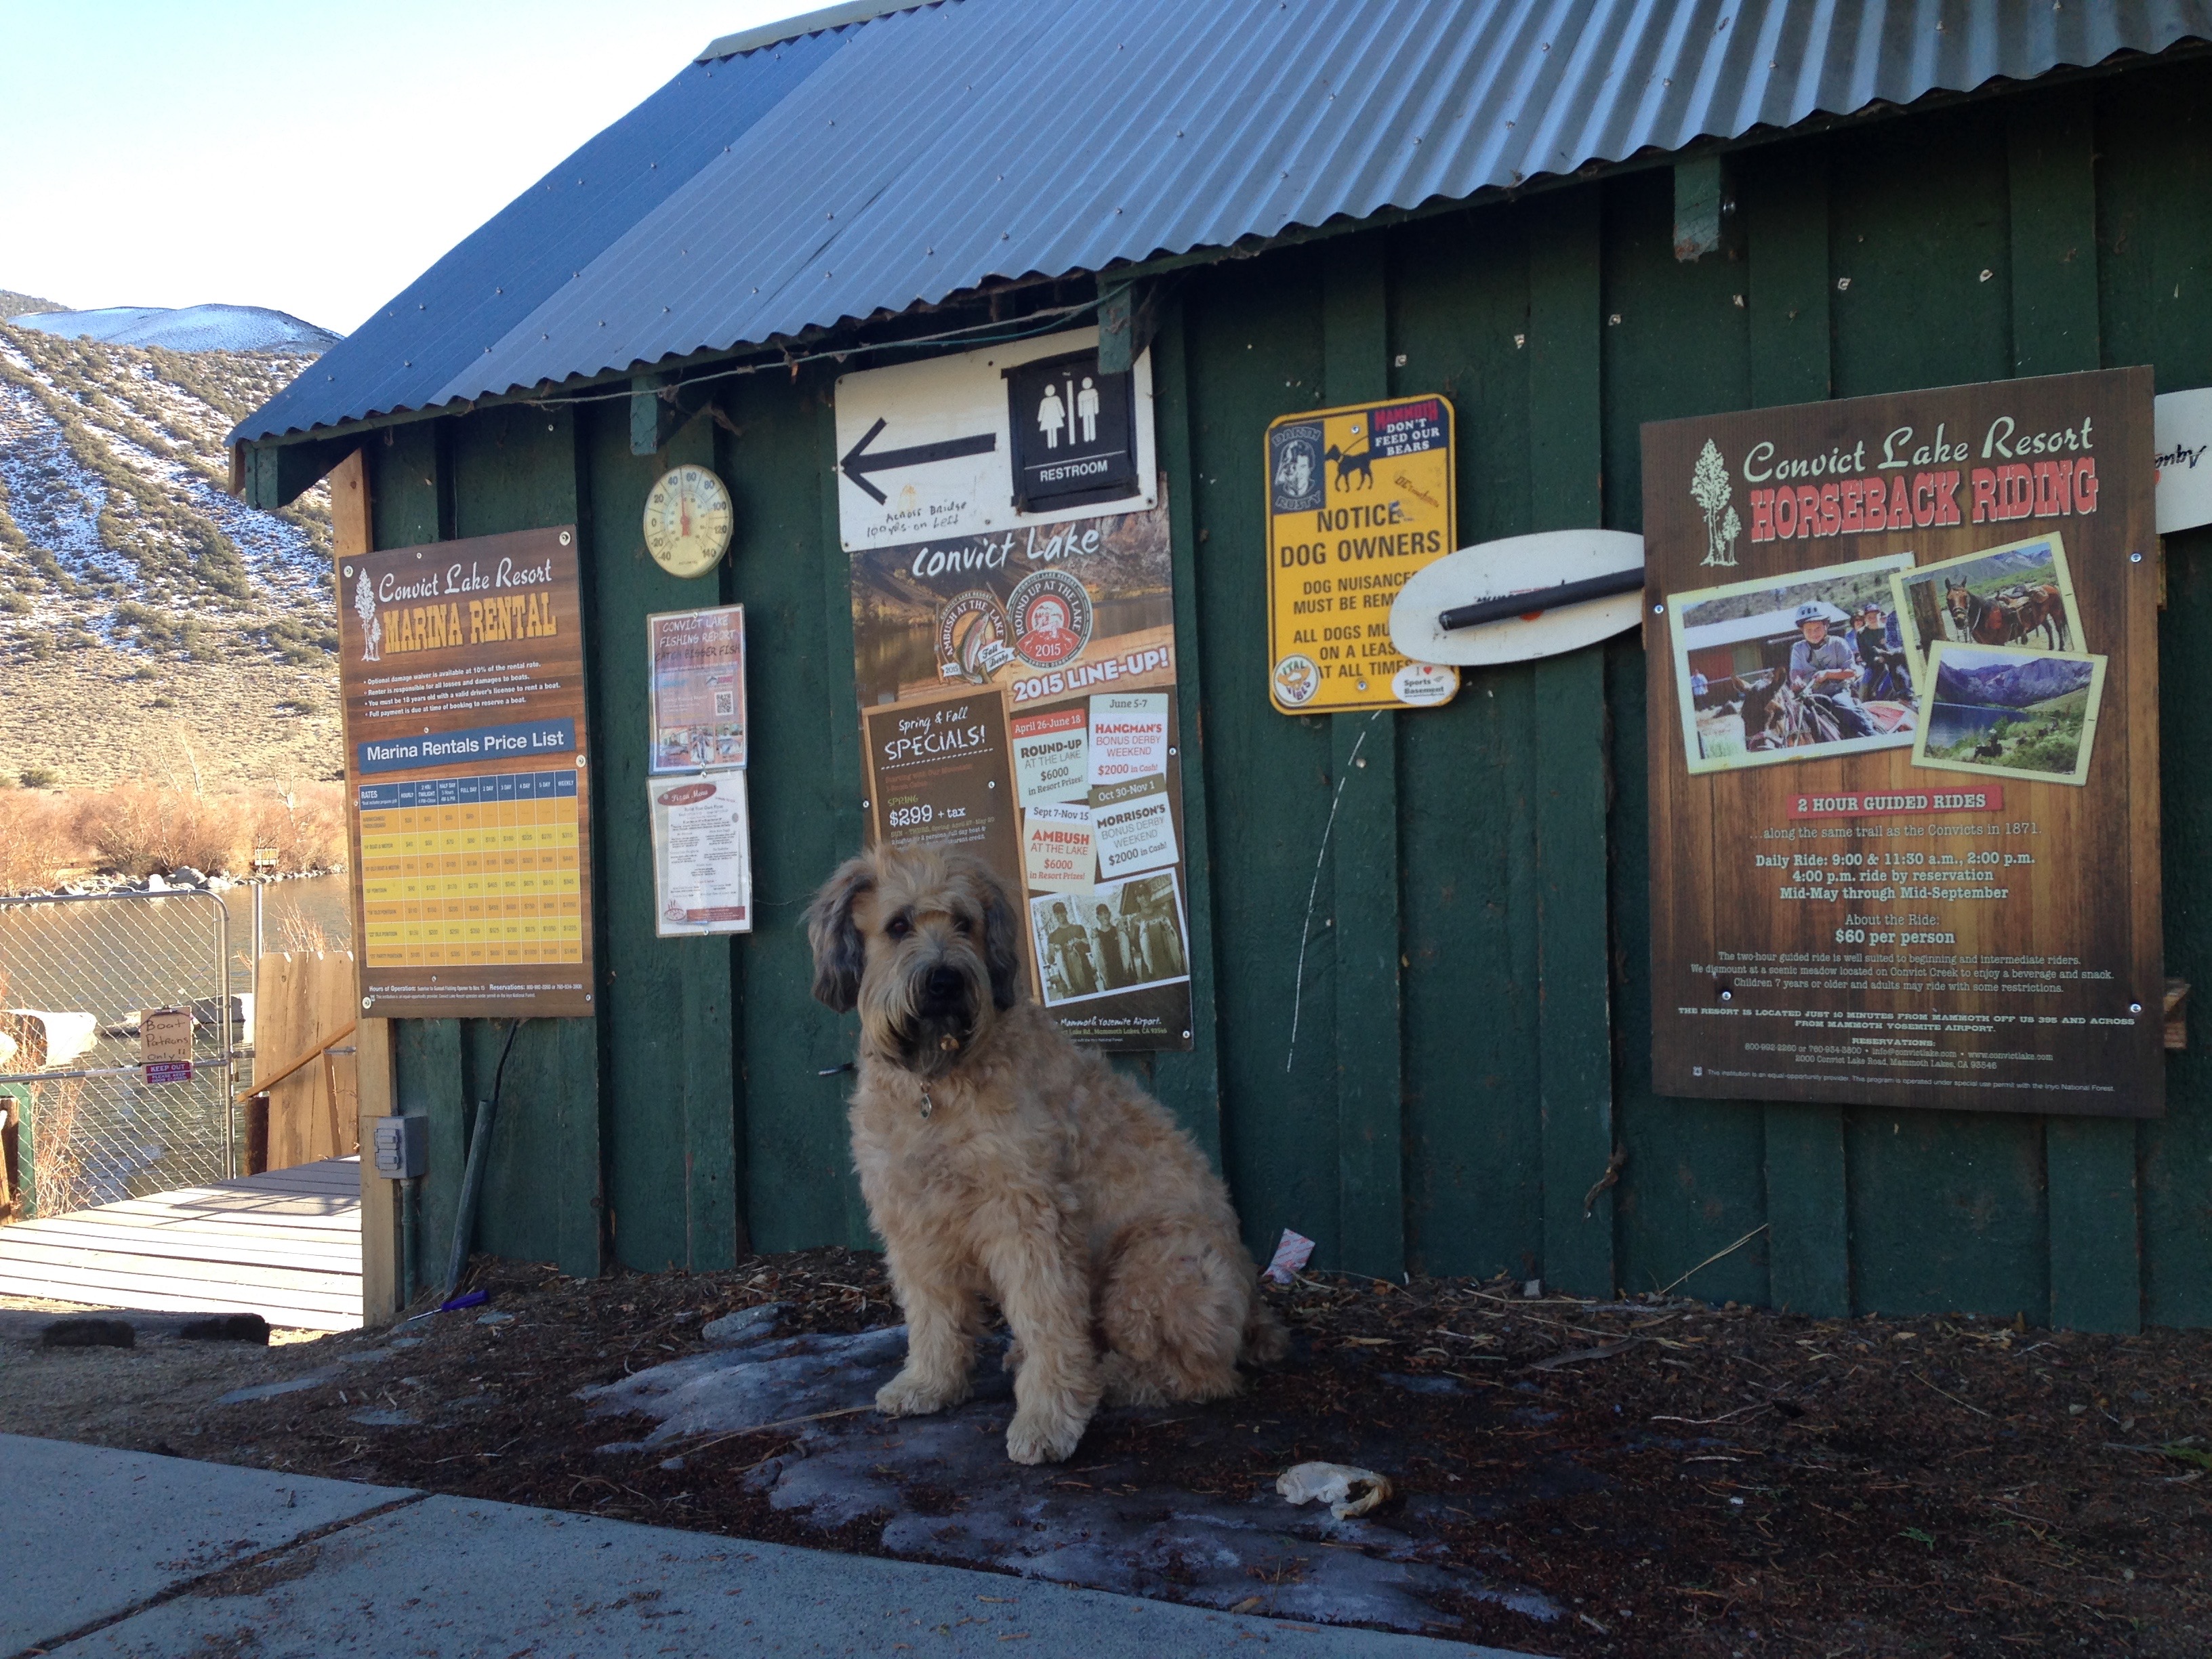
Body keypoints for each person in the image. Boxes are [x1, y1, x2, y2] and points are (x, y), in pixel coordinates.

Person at [1786, 603, 1875, 737]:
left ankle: (1873, 736)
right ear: (1802, 630)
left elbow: (1851, 671)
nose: (1813, 633)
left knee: (1844, 707)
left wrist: (1828, 674)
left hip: (1836, 691)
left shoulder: (1838, 643)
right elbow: (1795, 672)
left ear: (1826, 626)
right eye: (1808, 630)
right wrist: (1797, 681)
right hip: (1810, 694)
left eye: (1817, 628)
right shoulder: (1798, 648)